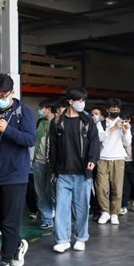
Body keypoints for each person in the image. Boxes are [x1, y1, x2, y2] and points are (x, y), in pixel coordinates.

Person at [0, 74, 37, 266]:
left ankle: (5, 263)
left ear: (12, 93)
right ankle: (18, 244)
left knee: (10, 220)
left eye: (2, 96)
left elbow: (30, 139)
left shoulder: (23, 112)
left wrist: (8, 130)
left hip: (15, 176)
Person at [49, 87, 101, 253]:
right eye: (80, 100)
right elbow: (53, 148)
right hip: (62, 172)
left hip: (82, 173)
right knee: (61, 208)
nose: (82, 103)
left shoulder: (88, 121)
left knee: (82, 208)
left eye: (84, 100)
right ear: (70, 101)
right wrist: (53, 170)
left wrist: (92, 160)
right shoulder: (57, 122)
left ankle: (80, 238)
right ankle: (62, 240)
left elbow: (95, 142)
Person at [96, 99, 131, 226]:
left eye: (117, 108)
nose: (115, 110)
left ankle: (115, 213)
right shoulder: (101, 123)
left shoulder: (124, 122)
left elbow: (128, 143)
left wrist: (125, 132)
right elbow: (99, 138)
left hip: (118, 158)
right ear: (107, 110)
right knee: (101, 187)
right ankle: (105, 212)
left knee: (117, 188)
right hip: (103, 158)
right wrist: (113, 128)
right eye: (113, 108)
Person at [31, 99, 56, 230]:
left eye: (42, 108)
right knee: (40, 191)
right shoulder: (39, 122)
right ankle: (47, 218)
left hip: (52, 163)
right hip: (38, 161)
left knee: (53, 191)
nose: (40, 110)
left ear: (49, 109)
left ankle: (57, 213)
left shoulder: (57, 122)